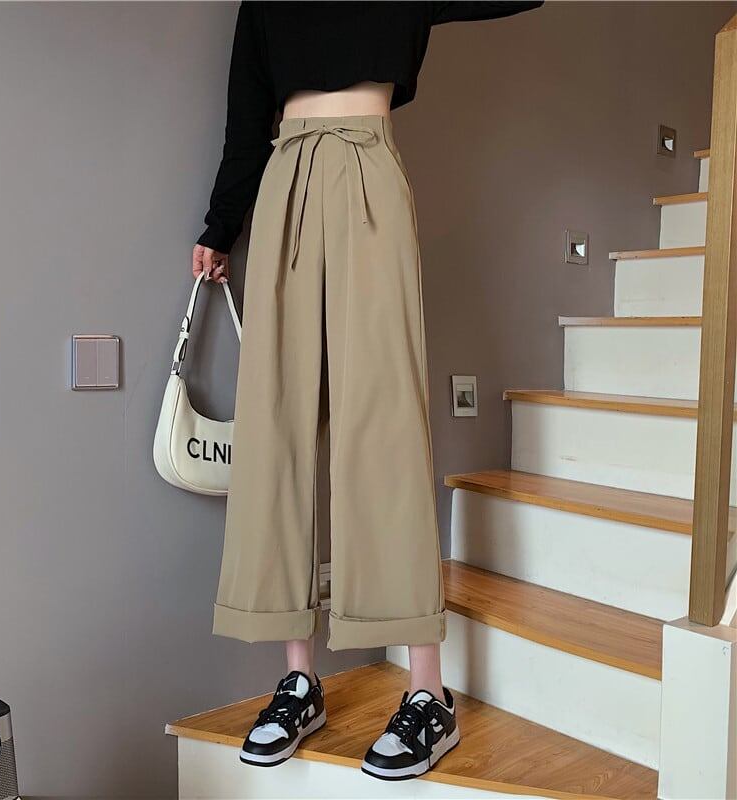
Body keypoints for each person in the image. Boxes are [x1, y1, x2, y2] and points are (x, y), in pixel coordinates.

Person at [192, 1, 542, 781]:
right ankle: (299, 679)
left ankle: (427, 692)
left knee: (383, 421)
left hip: (368, 171)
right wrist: (219, 227)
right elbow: (246, 120)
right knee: (277, 424)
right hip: (283, 179)